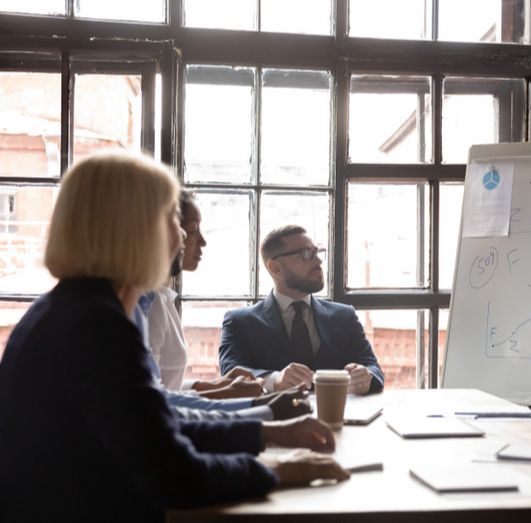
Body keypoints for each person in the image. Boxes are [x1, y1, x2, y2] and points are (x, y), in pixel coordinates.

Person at [0, 153, 348, 521]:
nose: (183, 233)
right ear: (135, 228)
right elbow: (175, 474)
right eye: (171, 217)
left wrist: (267, 434)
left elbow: (158, 425)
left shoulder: (76, 309)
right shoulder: (98, 328)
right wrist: (281, 471)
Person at [219, 225, 384, 395]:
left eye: (317, 252)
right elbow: (230, 372)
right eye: (306, 254)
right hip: (272, 419)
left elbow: (373, 368)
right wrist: (274, 380)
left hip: (339, 419)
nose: (318, 261)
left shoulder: (344, 316)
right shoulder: (240, 322)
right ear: (275, 267)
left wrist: (367, 377)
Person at [148, 190, 262, 397]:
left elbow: (162, 386)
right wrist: (226, 394)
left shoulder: (162, 297)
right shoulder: (150, 301)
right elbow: (151, 399)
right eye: (192, 230)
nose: (202, 241)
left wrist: (216, 385)